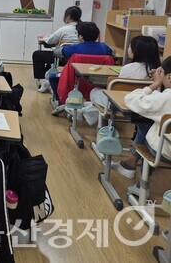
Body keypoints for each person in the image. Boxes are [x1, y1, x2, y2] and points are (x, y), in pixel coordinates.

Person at [109, 57, 171, 196]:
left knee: (145, 125)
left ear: (169, 77)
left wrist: (155, 84)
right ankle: (130, 163)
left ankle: (142, 185)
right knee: (149, 123)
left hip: (165, 151)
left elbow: (131, 100)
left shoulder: (166, 98)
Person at [48, 21, 113, 101]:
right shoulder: (104, 47)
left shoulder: (75, 47)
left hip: (76, 80)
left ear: (81, 37)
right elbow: (111, 53)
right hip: (99, 82)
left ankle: (62, 103)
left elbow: (56, 52)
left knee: (53, 78)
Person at [90, 35, 160, 108]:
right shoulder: (158, 71)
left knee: (95, 91)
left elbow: (116, 90)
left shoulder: (128, 68)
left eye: (130, 46)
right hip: (146, 105)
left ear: (136, 51)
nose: (128, 48)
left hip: (122, 103)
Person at [33, 6, 82, 92]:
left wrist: (44, 37)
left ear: (68, 16)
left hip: (62, 59)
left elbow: (50, 40)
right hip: (80, 60)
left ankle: (43, 81)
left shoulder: (64, 29)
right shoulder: (84, 28)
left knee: (37, 55)